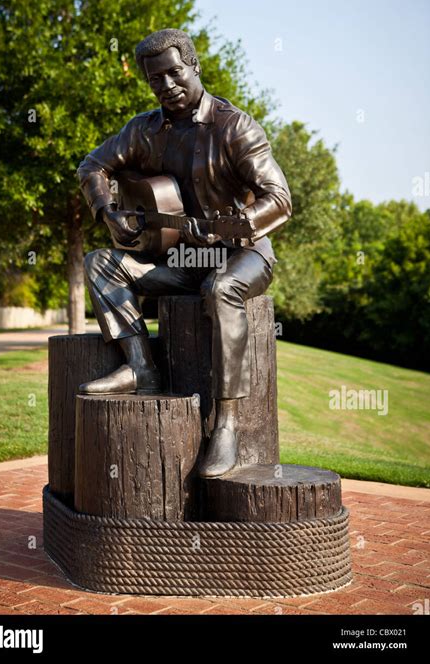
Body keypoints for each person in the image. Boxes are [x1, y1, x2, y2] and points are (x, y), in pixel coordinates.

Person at [76, 28, 292, 477]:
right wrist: (107, 209)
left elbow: (280, 199)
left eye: (174, 73)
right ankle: (141, 368)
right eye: (156, 79)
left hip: (243, 254)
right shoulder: (144, 130)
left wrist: (242, 224)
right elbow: (92, 165)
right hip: (181, 261)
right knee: (100, 263)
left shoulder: (235, 126)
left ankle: (227, 425)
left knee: (223, 287)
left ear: (194, 66)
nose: (167, 86)